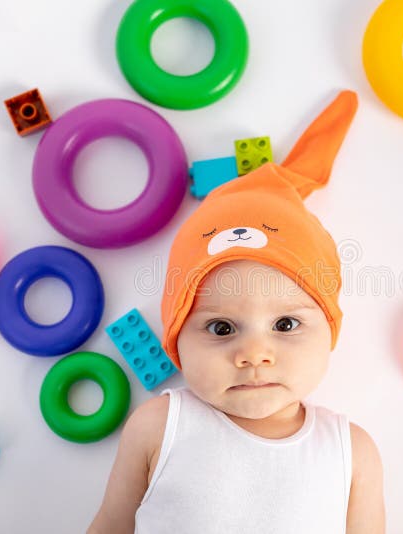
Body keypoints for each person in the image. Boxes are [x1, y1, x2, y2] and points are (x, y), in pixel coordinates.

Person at [88, 90, 385, 534]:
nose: (254, 354)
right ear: (177, 340)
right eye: (221, 327)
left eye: (286, 324)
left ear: (329, 329)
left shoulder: (350, 453)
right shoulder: (159, 428)